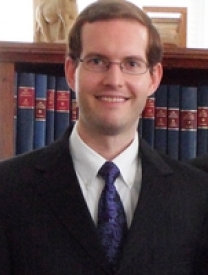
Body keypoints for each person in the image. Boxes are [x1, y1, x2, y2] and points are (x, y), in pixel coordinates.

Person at [0, 0, 208, 274]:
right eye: (97, 61)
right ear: (71, 71)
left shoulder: (196, 195)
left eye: (131, 63)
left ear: (154, 77)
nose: (114, 79)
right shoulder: (8, 188)